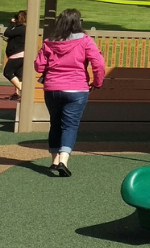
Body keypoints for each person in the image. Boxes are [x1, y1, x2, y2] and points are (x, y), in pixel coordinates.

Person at [34, 9, 105, 177]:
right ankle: (63, 161)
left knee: (55, 123)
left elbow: (38, 66)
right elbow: (98, 63)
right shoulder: (86, 41)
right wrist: (97, 82)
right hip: (76, 88)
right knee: (70, 125)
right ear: (79, 22)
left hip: (52, 88)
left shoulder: (49, 41)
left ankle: (54, 159)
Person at [0, 11, 27, 101]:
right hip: (20, 54)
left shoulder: (21, 28)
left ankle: (24, 90)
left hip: (17, 54)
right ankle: (17, 94)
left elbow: (7, 33)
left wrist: (11, 24)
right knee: (18, 75)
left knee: (8, 72)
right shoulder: (24, 29)